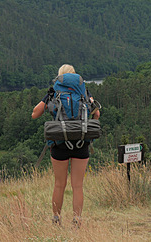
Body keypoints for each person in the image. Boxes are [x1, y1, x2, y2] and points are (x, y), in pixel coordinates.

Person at [31, 64, 100, 227]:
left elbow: (35, 114)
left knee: (59, 184)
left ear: (59, 77)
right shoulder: (84, 91)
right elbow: (96, 113)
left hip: (59, 142)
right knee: (77, 185)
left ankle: (56, 219)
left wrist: (48, 101)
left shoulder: (54, 91)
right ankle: (77, 220)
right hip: (81, 141)